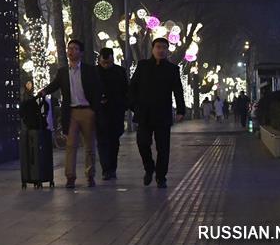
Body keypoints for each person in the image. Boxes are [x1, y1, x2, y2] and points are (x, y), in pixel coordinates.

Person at [38, 39, 104, 188]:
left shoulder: (89, 70)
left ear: (81, 52)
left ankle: (90, 175)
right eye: (70, 48)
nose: (71, 51)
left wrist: (94, 108)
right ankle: (70, 177)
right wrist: (44, 91)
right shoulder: (62, 72)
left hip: (87, 110)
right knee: (70, 145)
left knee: (89, 146)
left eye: (75, 49)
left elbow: (97, 88)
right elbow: (55, 85)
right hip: (71, 112)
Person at [128, 38, 186, 189]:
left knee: (163, 147)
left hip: (163, 113)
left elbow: (178, 91)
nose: (161, 50)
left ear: (167, 50)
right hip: (144, 113)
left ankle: (161, 176)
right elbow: (132, 87)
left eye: (164, 48)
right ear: (152, 49)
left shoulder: (172, 69)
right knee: (142, 143)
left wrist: (181, 110)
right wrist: (134, 106)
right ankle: (149, 168)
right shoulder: (143, 66)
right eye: (158, 47)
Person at [96, 47, 128, 181]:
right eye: (104, 63)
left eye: (108, 63)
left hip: (116, 111)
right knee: (102, 141)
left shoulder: (120, 71)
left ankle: (112, 168)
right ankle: (106, 169)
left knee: (114, 141)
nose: (106, 66)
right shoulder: (94, 72)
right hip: (100, 112)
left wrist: (125, 105)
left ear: (112, 59)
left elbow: (126, 89)